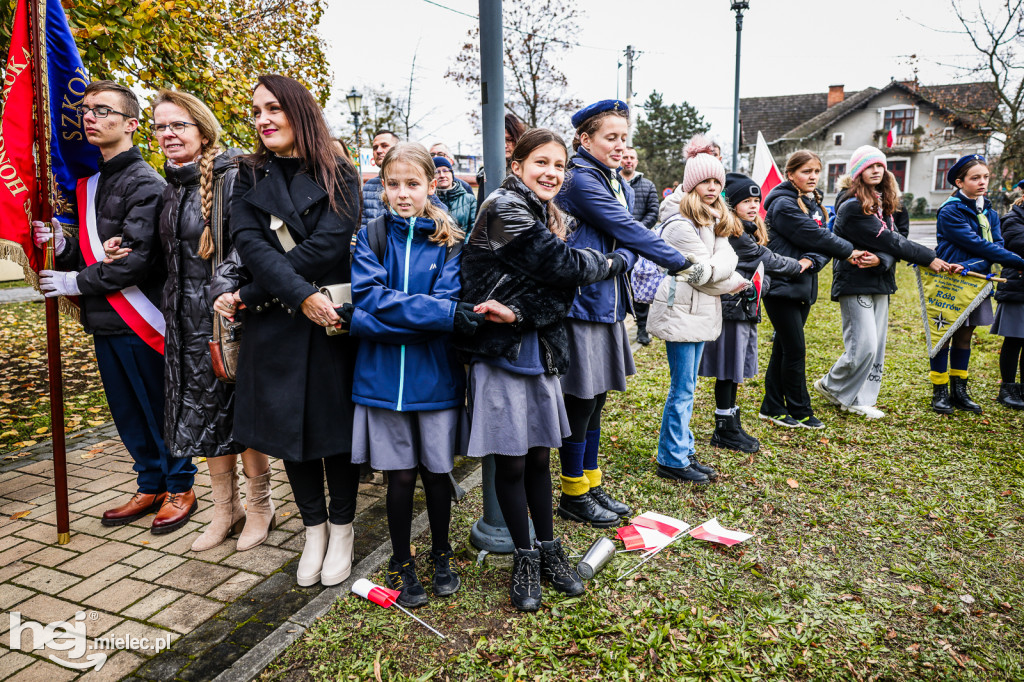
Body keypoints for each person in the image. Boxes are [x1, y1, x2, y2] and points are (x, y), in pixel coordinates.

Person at [455, 128, 619, 611]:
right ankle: (524, 557)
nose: (551, 173)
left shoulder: (549, 213)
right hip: (502, 355)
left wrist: (525, 309)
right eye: (541, 163)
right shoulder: (504, 206)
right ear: (519, 165)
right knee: (511, 461)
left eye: (559, 166)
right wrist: (612, 262)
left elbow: (560, 293)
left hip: (539, 351)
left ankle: (549, 550)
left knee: (540, 459)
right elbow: (564, 269)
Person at [213, 74, 361, 587]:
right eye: (257, 111)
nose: (264, 119)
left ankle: (342, 529)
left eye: (274, 108)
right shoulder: (247, 175)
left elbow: (330, 245)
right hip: (278, 324)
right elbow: (250, 246)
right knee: (288, 433)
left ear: (300, 110)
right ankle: (313, 529)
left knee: (332, 433)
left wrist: (251, 294)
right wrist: (293, 293)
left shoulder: (339, 172)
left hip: (327, 325)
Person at [34, 81, 198, 534]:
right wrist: (64, 245)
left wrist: (72, 281)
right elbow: (95, 253)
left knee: (158, 406)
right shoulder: (92, 183)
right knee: (127, 409)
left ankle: (181, 484)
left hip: (139, 317)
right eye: (86, 110)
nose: (90, 117)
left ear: (129, 124)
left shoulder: (144, 182)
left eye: (103, 111)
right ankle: (150, 482)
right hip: (106, 319)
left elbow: (134, 261)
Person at [555, 101, 707, 526]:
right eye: (611, 137)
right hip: (583, 304)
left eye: (624, 138)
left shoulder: (605, 177)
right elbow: (629, 230)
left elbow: (623, 234)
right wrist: (684, 263)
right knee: (581, 401)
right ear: (585, 140)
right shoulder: (582, 180)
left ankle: (590, 482)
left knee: (597, 400)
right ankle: (572, 492)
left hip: (605, 302)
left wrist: (624, 251)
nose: (621, 146)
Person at [347, 143, 483, 607]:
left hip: (435, 378)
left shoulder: (450, 240)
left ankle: (441, 552)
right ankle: (402, 559)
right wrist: (432, 316)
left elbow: (446, 305)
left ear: (431, 184)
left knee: (437, 471)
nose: (402, 194)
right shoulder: (371, 236)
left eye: (412, 184)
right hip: (382, 382)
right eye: (393, 184)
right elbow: (369, 297)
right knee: (400, 477)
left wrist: (376, 320)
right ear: (382, 187)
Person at [814, 146, 957, 420]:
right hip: (854, 280)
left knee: (876, 345)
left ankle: (859, 398)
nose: (876, 170)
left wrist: (882, 260)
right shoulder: (853, 205)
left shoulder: (884, 204)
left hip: (880, 280)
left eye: (880, 165)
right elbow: (890, 241)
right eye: (870, 166)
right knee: (863, 343)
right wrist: (929, 258)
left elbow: (893, 242)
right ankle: (832, 385)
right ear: (858, 172)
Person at [648, 139, 749, 484]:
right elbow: (703, 275)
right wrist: (734, 280)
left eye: (718, 182)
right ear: (691, 183)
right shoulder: (678, 223)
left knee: (688, 386)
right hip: (682, 312)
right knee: (682, 388)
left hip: (700, 311)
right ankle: (671, 458)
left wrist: (724, 267)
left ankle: (683, 449)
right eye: (707, 181)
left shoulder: (711, 218)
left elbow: (725, 258)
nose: (713, 188)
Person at [699, 173, 807, 453]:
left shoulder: (748, 230)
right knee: (728, 369)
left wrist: (765, 281)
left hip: (744, 308)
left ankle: (731, 423)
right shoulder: (734, 233)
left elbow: (761, 275)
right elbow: (766, 261)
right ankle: (723, 427)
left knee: (734, 370)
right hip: (732, 309)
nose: (753, 205)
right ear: (731, 205)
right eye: (745, 200)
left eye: (756, 200)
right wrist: (800, 265)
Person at [757, 150, 866, 429]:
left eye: (816, 171)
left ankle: (771, 406)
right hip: (781, 284)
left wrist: (812, 260)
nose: (813, 177)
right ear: (790, 174)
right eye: (806, 171)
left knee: (784, 348)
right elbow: (817, 236)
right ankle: (800, 409)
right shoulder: (783, 205)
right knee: (795, 350)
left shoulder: (814, 203)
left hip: (803, 285)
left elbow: (821, 246)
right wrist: (849, 251)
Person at [931, 154, 1024, 413]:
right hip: (951, 282)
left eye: (985, 177)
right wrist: (1018, 261)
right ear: (960, 182)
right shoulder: (951, 210)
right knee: (944, 336)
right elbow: (979, 245)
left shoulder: (990, 212)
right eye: (975, 178)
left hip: (977, 279)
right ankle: (939, 391)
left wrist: (973, 266)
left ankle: (959, 390)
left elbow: (996, 247)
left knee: (965, 336)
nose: (982, 182)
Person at [620, 147, 659, 345]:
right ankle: (618, 330)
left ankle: (642, 328)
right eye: (625, 157)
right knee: (618, 286)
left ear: (636, 161)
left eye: (631, 158)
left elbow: (653, 212)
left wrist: (635, 231)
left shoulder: (648, 185)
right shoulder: (612, 183)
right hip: (616, 244)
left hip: (639, 245)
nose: (628, 161)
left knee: (640, 288)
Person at [992, 179, 1024, 409]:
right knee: (1014, 339)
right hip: (1017, 287)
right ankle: (1008, 389)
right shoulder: (1012, 218)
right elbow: (1016, 244)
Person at [475, 113, 526, 207]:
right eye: (501, 140)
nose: (505, 145)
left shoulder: (526, 171)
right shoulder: (486, 174)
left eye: (509, 140)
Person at [361, 130, 400, 230]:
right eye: (375, 147)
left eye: (384, 145)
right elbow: (362, 223)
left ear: (398, 149)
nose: (378, 151)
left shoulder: (411, 183)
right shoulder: (368, 186)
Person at [433, 156, 477, 233]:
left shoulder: (469, 199)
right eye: (437, 172)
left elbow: (474, 228)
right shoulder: (427, 200)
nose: (442, 175)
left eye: (445, 170)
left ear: (452, 174)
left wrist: (465, 245)